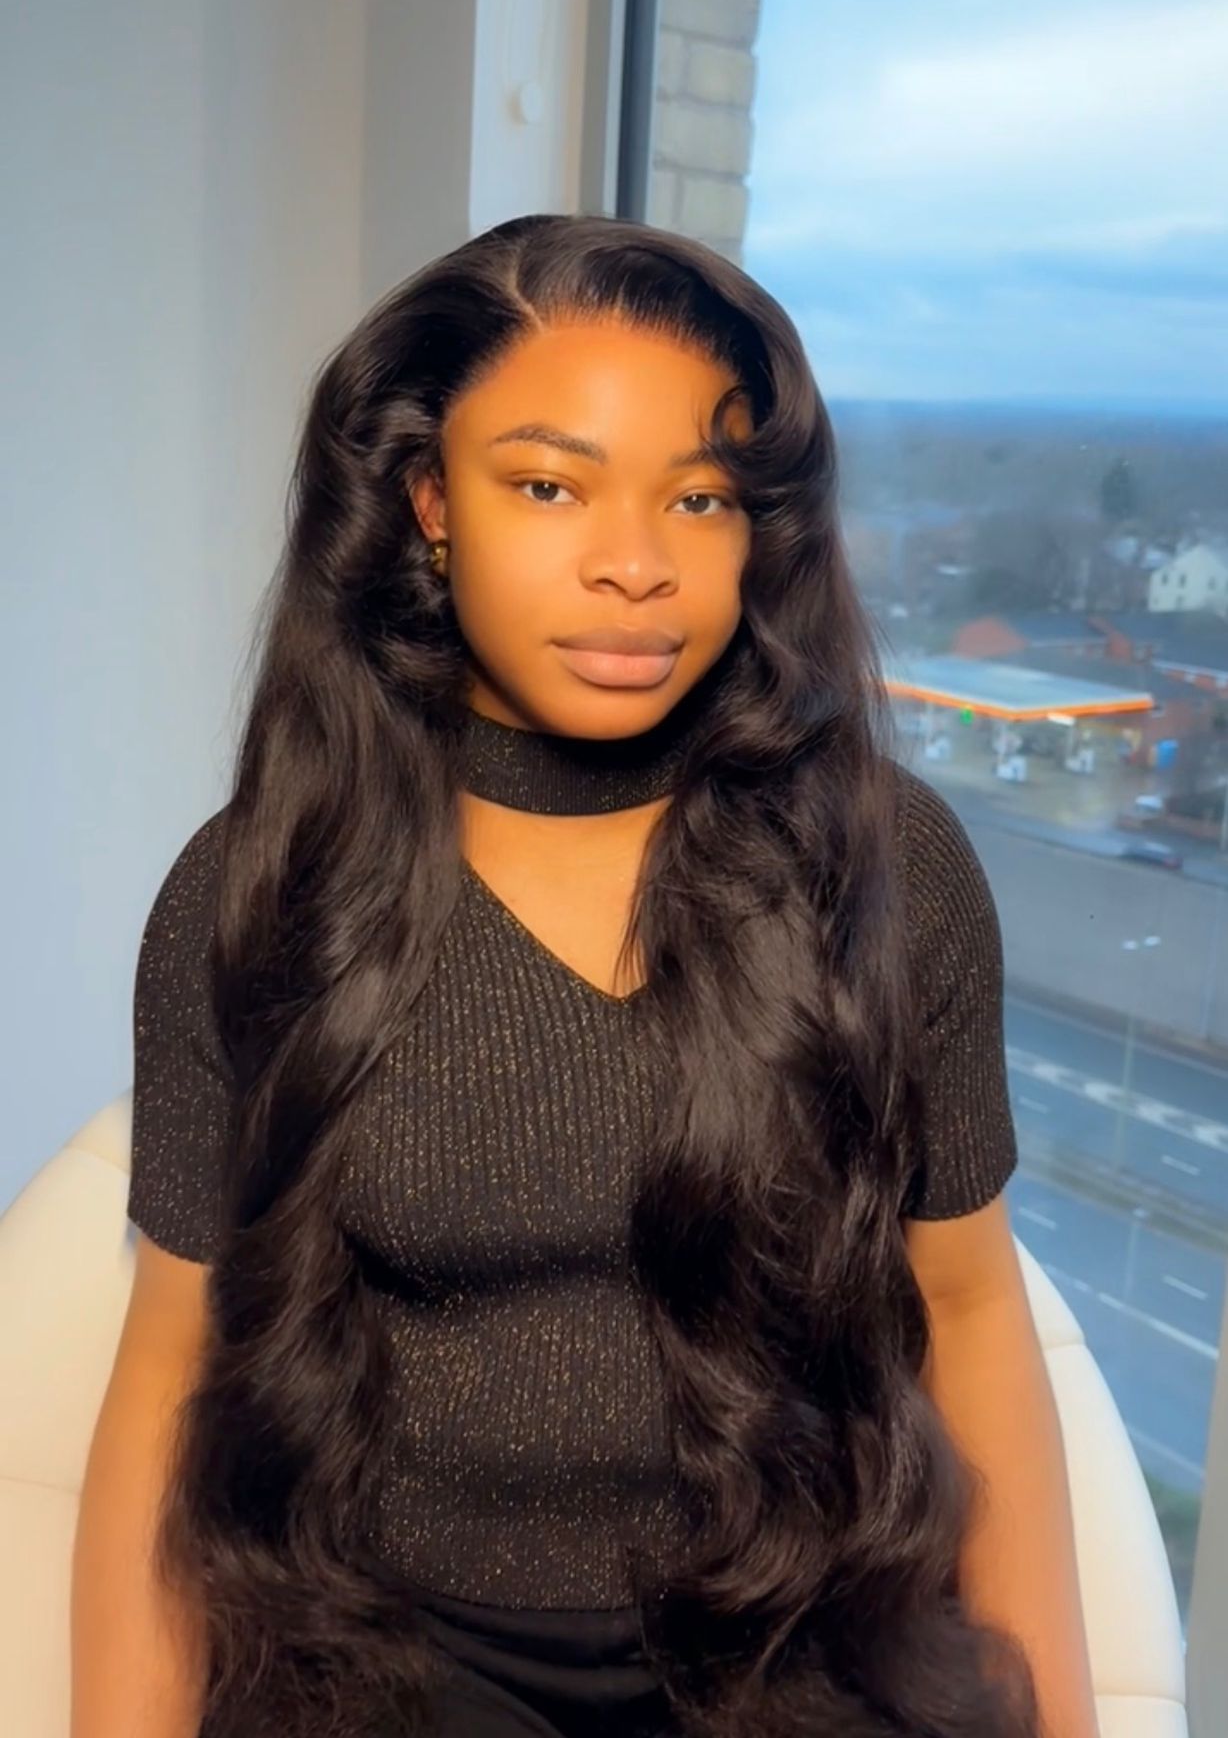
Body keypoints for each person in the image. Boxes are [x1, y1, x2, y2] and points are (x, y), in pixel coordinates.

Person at [71, 215, 1097, 1738]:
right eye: (548, 486)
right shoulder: (259, 891)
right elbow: (173, 1366)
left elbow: (970, 1308)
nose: (635, 565)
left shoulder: (886, 863)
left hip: (799, 1644)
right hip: (391, 1665)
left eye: (700, 497)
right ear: (428, 502)